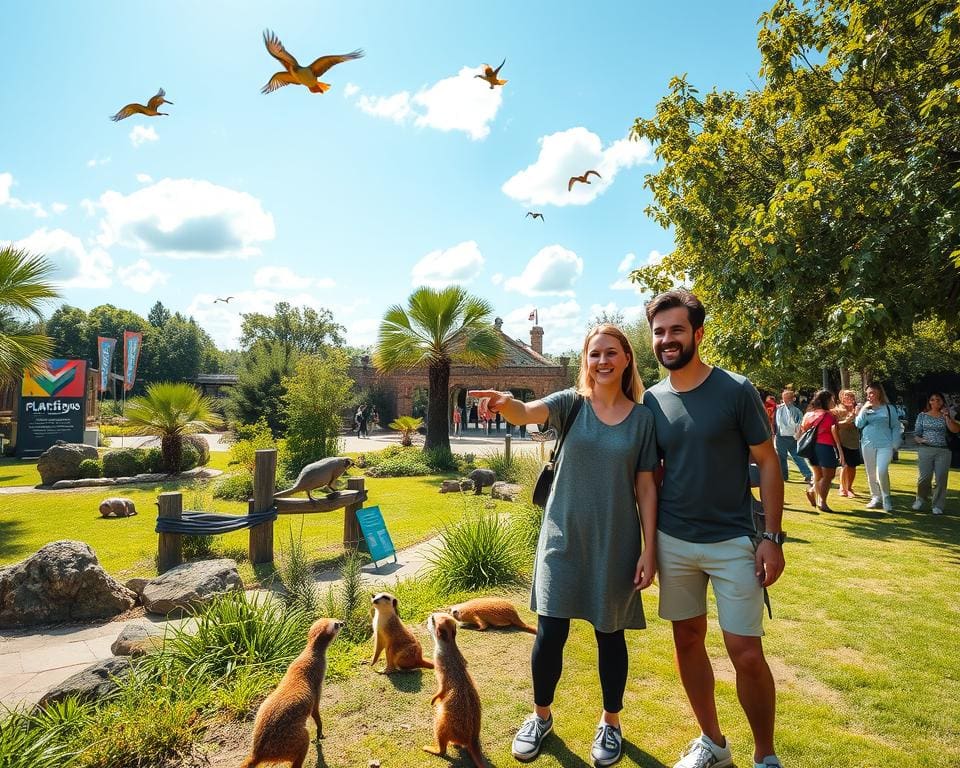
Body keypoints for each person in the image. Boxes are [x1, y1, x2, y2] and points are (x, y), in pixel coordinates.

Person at [468, 322, 658, 767]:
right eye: (594, 354)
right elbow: (526, 411)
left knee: (610, 635)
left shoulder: (643, 419)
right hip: (562, 538)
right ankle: (541, 716)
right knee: (550, 632)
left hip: (616, 541)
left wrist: (650, 548)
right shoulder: (570, 404)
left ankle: (611, 723)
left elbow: (647, 485)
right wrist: (506, 404)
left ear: (627, 358)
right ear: (585, 361)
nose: (603, 361)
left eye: (611, 353)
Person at [641, 290, 786, 768]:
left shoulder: (735, 389)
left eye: (676, 330)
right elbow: (652, 474)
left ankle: (765, 755)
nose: (667, 339)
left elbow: (768, 462)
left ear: (698, 333)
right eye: (659, 331)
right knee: (686, 641)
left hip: (733, 542)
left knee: (744, 651)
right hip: (674, 542)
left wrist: (772, 537)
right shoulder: (652, 399)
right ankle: (713, 744)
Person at [854, 383, 899, 512]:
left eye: (872, 393)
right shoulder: (866, 408)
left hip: (885, 444)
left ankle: (886, 497)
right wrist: (863, 410)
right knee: (871, 472)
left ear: (879, 393)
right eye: (867, 394)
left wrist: (895, 444)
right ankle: (875, 497)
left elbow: (896, 426)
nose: (869, 396)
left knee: (882, 470)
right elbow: (858, 424)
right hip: (867, 443)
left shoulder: (889, 408)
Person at [912, 392, 959, 515]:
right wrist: (920, 440)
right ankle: (921, 498)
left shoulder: (948, 414)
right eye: (932, 400)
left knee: (941, 478)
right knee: (924, 477)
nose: (935, 402)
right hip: (926, 449)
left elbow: (955, 429)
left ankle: (938, 505)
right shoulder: (922, 416)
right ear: (929, 402)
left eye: (938, 400)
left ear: (942, 402)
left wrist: (947, 417)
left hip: (943, 450)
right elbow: (916, 433)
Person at [799, 390, 844, 512]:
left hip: (810, 448)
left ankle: (813, 491)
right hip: (825, 446)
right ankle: (821, 501)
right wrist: (840, 451)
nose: (833, 402)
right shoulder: (829, 416)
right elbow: (835, 432)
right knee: (828, 475)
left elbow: (803, 428)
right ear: (826, 401)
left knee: (818, 474)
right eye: (832, 400)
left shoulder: (809, 414)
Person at [773, 390, 813, 486]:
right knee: (794, 456)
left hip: (784, 437)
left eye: (786, 398)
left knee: (785, 457)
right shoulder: (795, 410)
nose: (785, 400)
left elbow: (776, 422)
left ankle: (785, 476)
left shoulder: (780, 409)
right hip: (787, 436)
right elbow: (799, 424)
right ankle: (807, 474)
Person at [833, 389, 862, 498]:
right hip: (842, 442)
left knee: (853, 466)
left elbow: (860, 424)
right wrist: (847, 421)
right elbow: (835, 425)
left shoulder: (856, 410)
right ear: (841, 398)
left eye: (851, 397)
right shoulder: (838, 410)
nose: (849, 399)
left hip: (854, 441)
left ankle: (849, 488)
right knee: (845, 466)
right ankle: (842, 488)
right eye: (846, 396)